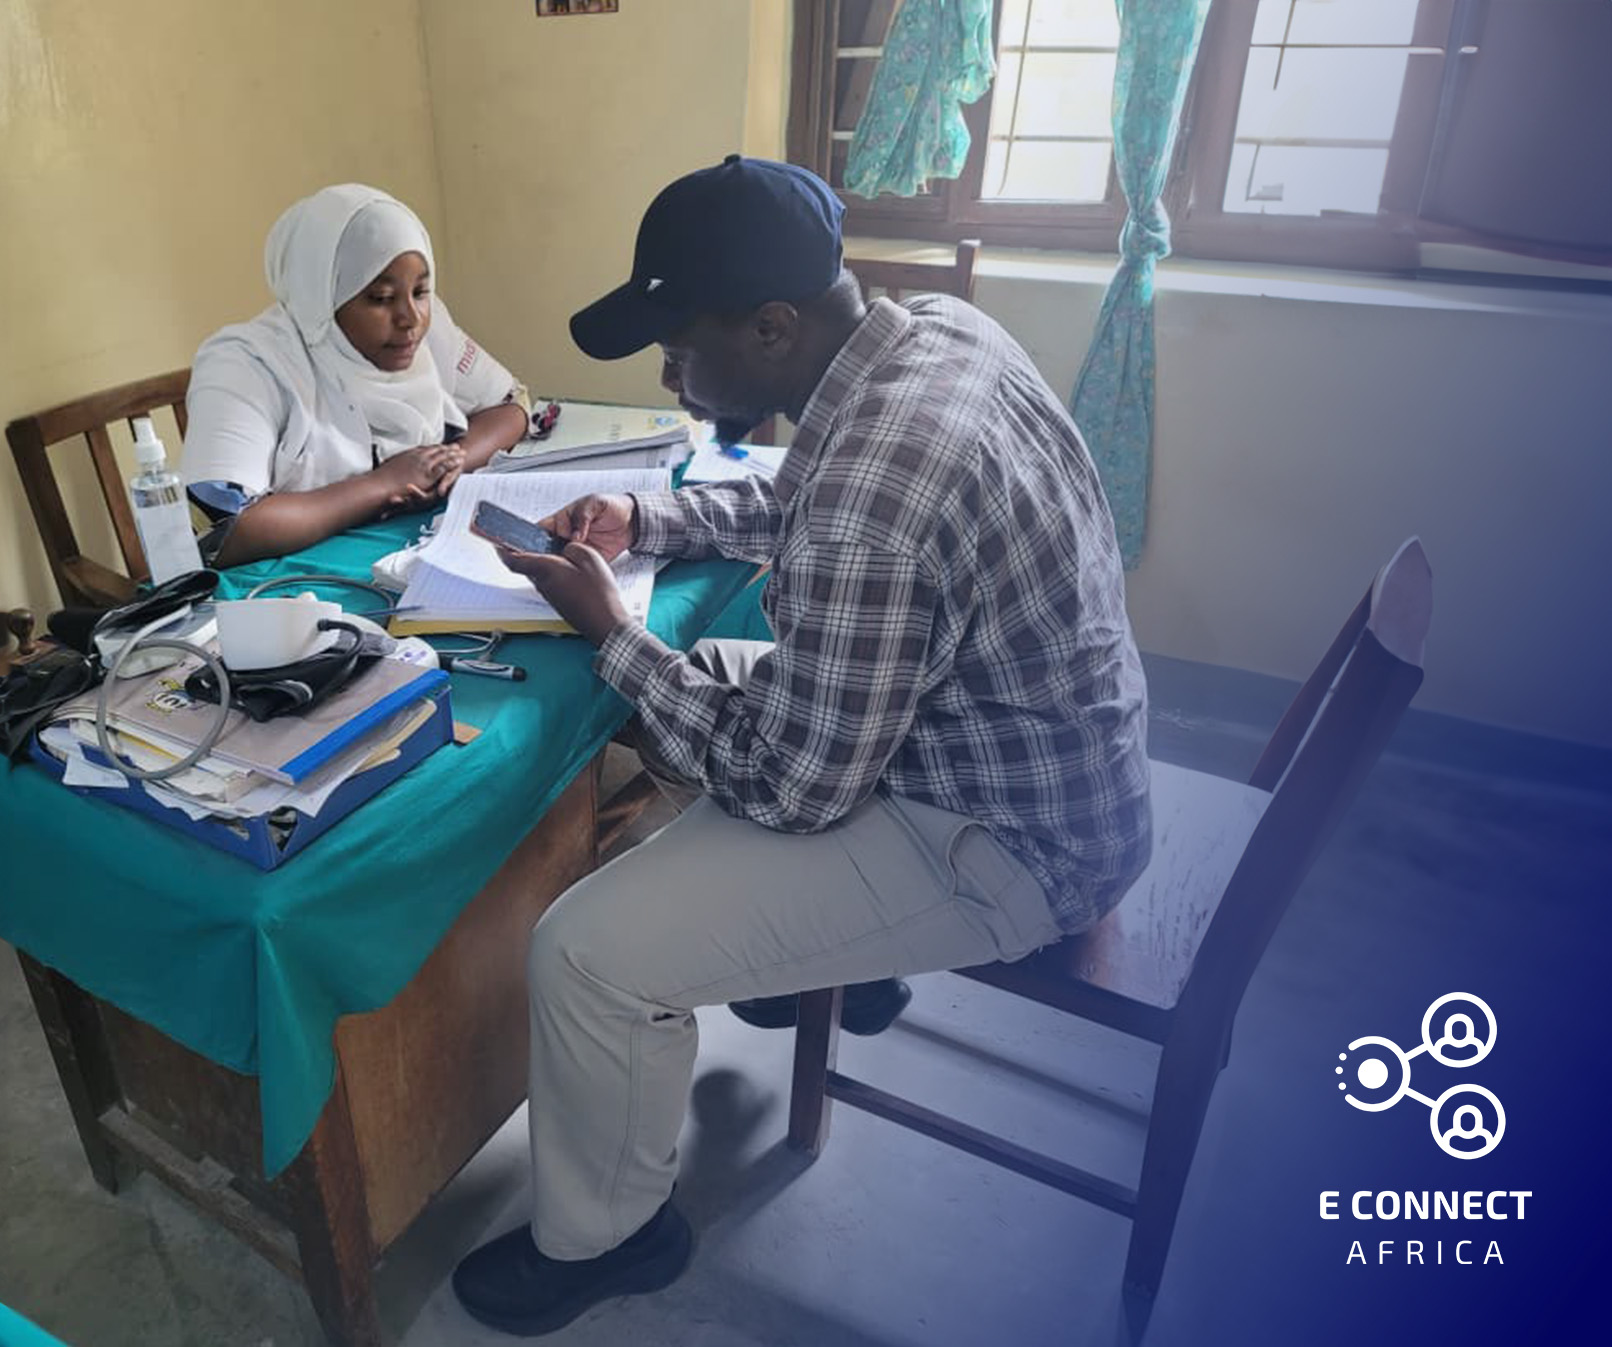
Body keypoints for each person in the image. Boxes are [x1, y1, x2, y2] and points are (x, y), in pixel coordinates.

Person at [449, 156, 1152, 1335]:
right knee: (686, 694)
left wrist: (613, 632)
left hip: (1009, 840)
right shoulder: (930, 332)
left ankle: (608, 1236)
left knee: (583, 953)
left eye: (679, 350)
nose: (668, 378)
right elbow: (815, 490)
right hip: (1021, 750)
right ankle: (842, 963)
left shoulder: (882, 484)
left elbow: (791, 786)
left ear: (772, 329)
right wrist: (648, 517)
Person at [181, 184, 530, 566]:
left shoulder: (427, 332)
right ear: (321, 297)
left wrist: (450, 463)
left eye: (421, 291)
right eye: (381, 298)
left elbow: (511, 405)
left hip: (410, 555)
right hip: (290, 582)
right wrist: (382, 486)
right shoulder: (247, 363)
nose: (410, 318)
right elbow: (222, 530)